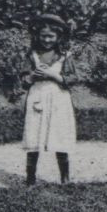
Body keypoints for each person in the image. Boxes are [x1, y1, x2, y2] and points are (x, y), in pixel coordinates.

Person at [21, 15, 77, 185]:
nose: (46, 40)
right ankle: (30, 178)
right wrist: (32, 76)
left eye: (51, 36)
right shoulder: (32, 55)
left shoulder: (64, 56)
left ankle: (65, 178)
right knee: (34, 135)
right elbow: (24, 79)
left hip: (58, 98)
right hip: (37, 97)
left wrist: (53, 75)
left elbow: (73, 78)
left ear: (58, 37)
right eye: (43, 36)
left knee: (59, 136)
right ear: (37, 36)